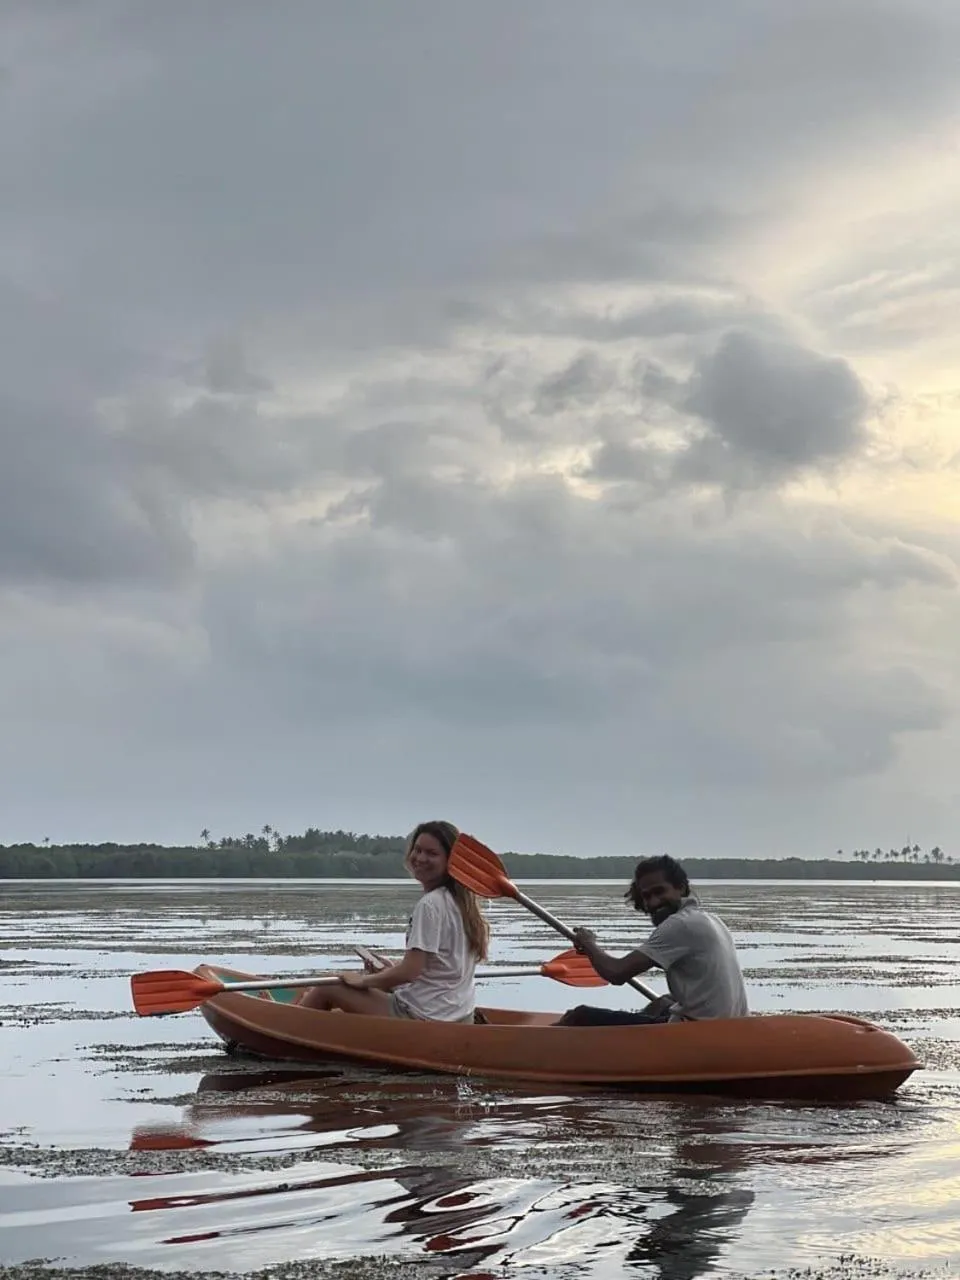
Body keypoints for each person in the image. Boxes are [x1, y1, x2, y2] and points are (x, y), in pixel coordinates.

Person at [297, 820, 489, 1022]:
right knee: (373, 985)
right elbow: (437, 968)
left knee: (330, 986)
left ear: (450, 861)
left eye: (432, 853)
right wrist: (390, 971)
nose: (421, 858)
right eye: (418, 850)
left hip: (423, 1016)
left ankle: (289, 1026)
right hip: (458, 1015)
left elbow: (410, 972)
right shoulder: (461, 903)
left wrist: (364, 981)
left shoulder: (430, 905)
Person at [555, 854, 748, 1026]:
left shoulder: (679, 925)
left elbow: (616, 973)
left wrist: (588, 943)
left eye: (660, 892)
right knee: (663, 1002)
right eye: (646, 896)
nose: (653, 902)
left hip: (696, 1035)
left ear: (680, 888)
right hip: (729, 1027)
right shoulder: (710, 919)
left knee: (579, 1016)